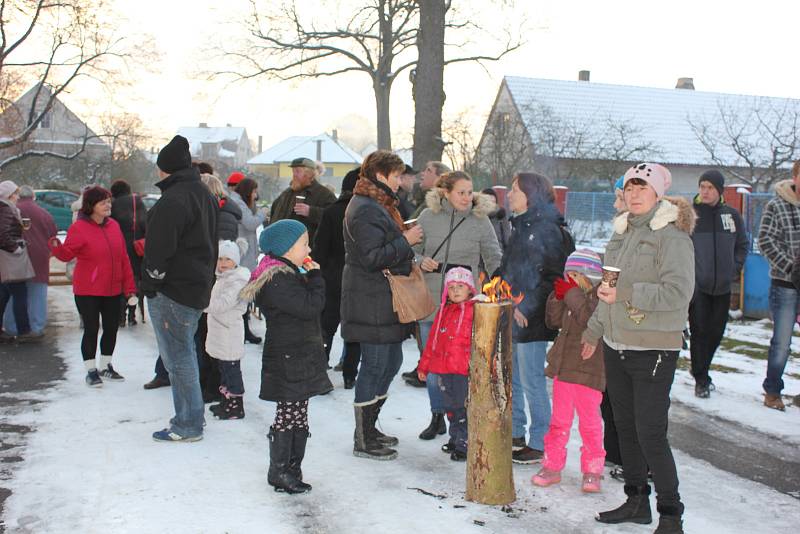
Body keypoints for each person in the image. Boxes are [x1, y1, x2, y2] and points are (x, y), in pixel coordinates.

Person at [582, 163, 694, 534]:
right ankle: (636, 501)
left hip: (654, 348)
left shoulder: (672, 237)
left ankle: (671, 514)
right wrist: (593, 331)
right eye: (629, 189)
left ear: (658, 193)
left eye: (641, 188)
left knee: (650, 431)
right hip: (617, 344)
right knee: (624, 427)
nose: (633, 195)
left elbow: (678, 293)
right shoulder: (622, 232)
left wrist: (628, 292)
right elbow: (608, 291)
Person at [341, 150, 423, 461]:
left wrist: (402, 235)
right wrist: (407, 240)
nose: (401, 181)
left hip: (384, 298)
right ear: (380, 176)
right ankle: (363, 438)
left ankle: (371, 428)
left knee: (389, 363)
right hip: (370, 298)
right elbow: (371, 257)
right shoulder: (364, 208)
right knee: (375, 366)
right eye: (397, 175)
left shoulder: (379, 205)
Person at [241, 219, 333, 494]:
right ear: (286, 248)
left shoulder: (288, 273)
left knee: (298, 413)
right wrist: (316, 278)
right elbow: (310, 306)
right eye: (303, 243)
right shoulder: (279, 279)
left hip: (296, 353)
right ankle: (280, 470)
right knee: (289, 413)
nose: (308, 247)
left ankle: (292, 468)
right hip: (288, 356)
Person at [409, 171, 502, 441]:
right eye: (460, 192)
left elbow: (493, 254)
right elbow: (410, 248)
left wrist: (498, 279)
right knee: (433, 362)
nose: (466, 197)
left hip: (463, 306)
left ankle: (459, 423)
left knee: (458, 366)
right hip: (430, 298)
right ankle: (437, 415)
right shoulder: (428, 217)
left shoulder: (480, 220)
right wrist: (420, 260)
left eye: (469, 191)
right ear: (445, 192)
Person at [141, 135, 218, 443]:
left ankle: (187, 423)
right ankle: (191, 417)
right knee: (183, 354)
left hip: (174, 291)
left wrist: (151, 284)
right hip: (195, 287)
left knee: (178, 358)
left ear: (164, 170)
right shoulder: (203, 193)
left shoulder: (174, 200)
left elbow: (159, 252)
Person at [501, 172, 573, 464]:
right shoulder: (522, 226)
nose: (509, 195)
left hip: (531, 317)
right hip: (513, 311)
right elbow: (510, 268)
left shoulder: (548, 229)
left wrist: (525, 306)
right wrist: (494, 291)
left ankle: (539, 440)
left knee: (531, 379)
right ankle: (516, 431)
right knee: (514, 377)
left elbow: (553, 278)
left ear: (531, 194)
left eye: (515, 190)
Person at [532, 249, 605, 493]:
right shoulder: (570, 296)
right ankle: (552, 466)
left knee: (590, 423)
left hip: (589, 370)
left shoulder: (599, 297)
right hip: (564, 369)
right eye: (568, 274)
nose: (571, 279)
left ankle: (593, 470)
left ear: (590, 277)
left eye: (576, 274)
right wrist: (556, 297)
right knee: (559, 422)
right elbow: (553, 321)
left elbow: (590, 318)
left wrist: (571, 294)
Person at [50, 186, 136, 386]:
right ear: (91, 206)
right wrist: (56, 246)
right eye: (103, 202)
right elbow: (66, 255)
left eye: (109, 201)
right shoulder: (79, 228)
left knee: (112, 328)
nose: (108, 205)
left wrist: (129, 287)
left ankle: (106, 366)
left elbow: (123, 258)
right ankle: (91, 370)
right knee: (91, 329)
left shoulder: (114, 225)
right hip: (88, 290)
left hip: (112, 288)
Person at [689, 170, 748, 398]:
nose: (705, 191)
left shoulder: (731, 216)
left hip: (722, 287)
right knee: (699, 331)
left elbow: (742, 245)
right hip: (698, 287)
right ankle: (701, 379)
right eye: (702, 186)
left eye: (710, 187)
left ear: (719, 190)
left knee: (716, 332)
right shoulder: (691, 215)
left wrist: (734, 269)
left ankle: (700, 371)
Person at [417, 267, 477, 462]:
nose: (456, 290)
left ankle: (464, 442)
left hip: (462, 370)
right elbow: (432, 342)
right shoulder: (443, 311)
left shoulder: (474, 311)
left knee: (462, 406)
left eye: (461, 286)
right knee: (450, 406)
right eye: (451, 287)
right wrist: (424, 366)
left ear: (470, 289)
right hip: (443, 369)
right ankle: (455, 436)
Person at [757, 160, 800, 412]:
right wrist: (793, 268)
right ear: (795, 176)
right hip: (785, 284)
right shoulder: (777, 204)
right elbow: (765, 240)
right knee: (782, 341)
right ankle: (773, 390)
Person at [313, 167, 361, 387]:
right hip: (359, 278)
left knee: (327, 326)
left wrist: (316, 273)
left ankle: (320, 369)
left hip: (332, 277)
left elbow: (320, 249)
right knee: (354, 327)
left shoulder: (332, 211)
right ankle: (350, 373)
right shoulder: (366, 212)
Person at [2, 186, 56, 337]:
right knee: (37, 292)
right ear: (33, 197)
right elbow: (52, 233)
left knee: (14, 293)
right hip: (38, 256)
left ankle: (12, 327)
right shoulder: (44, 213)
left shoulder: (11, 209)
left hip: (14, 257)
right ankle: (36, 326)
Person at [205, 240, 250, 420]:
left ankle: (236, 406)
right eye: (220, 259)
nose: (223, 263)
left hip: (229, 332)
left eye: (228, 259)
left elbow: (222, 304)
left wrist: (202, 305)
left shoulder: (236, 281)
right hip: (220, 331)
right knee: (224, 369)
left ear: (236, 261)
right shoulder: (223, 278)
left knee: (231, 370)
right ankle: (226, 400)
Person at [230, 176, 267, 344]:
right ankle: (243, 332)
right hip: (242, 256)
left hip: (245, 254)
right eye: (254, 191)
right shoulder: (238, 204)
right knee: (241, 295)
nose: (256, 195)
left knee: (243, 296)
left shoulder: (241, 203)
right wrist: (262, 213)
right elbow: (250, 224)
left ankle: (244, 331)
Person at [0, 180, 39, 342]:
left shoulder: (5, 208)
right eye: (15, 193)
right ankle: (24, 331)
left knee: (3, 294)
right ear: (9, 195)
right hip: (10, 260)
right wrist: (15, 247)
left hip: (5, 259)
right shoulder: (6, 209)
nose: (17, 196)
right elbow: (2, 234)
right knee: (19, 293)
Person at [269, 157, 336, 244]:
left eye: (297, 171)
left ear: (309, 174)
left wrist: (311, 211)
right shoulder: (287, 193)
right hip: (284, 248)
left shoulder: (324, 194)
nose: (294, 175)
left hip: (310, 250)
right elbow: (274, 214)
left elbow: (335, 217)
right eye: (293, 171)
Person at [110, 179, 147, 327]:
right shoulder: (137, 202)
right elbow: (146, 223)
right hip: (136, 247)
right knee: (135, 280)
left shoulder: (113, 205)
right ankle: (133, 314)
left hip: (118, 247)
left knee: (120, 281)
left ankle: (121, 315)